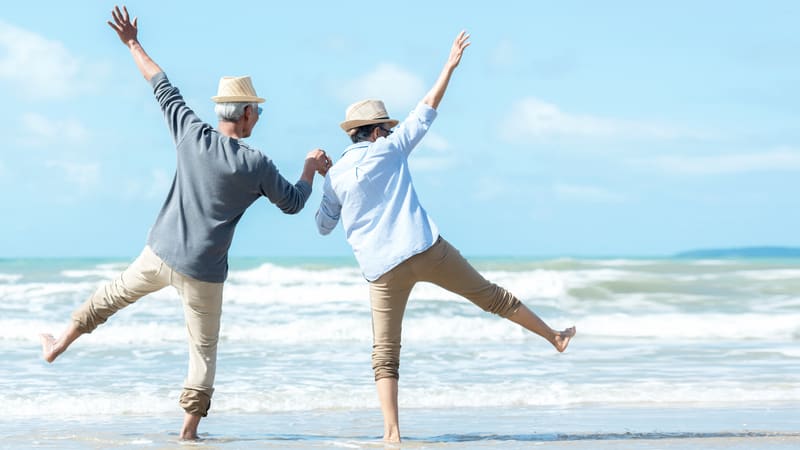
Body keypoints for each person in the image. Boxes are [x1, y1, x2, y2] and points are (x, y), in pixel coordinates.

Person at [39, 5, 332, 440]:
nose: (257, 119)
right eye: (258, 112)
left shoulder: (190, 132)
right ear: (247, 114)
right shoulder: (256, 164)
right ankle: (187, 433)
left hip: (160, 253)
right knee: (203, 352)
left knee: (109, 297)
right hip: (205, 271)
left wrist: (132, 42)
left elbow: (159, 83)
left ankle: (59, 343)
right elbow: (292, 203)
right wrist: (310, 168)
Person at [315, 31, 576, 442]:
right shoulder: (391, 149)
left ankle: (392, 433)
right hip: (424, 247)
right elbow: (427, 108)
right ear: (378, 131)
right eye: (386, 127)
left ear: (354, 133)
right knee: (491, 297)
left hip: (381, 269)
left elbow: (324, 225)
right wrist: (449, 66)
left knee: (385, 354)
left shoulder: (335, 176)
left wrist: (318, 174)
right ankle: (554, 337)